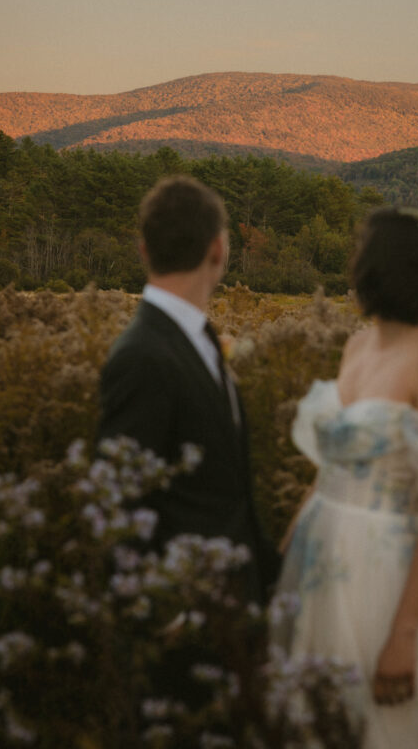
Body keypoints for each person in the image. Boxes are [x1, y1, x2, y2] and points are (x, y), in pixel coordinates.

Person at [275, 207, 418, 748]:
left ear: (383, 267)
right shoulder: (359, 345)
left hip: (386, 577)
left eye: (360, 253)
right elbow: (334, 468)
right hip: (319, 565)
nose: (354, 264)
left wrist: (404, 634)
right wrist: (287, 550)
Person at [98, 175, 278, 604]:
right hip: (185, 612)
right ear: (218, 249)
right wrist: (159, 617)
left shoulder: (199, 339)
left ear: (144, 251)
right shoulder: (142, 357)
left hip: (235, 599)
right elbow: (118, 504)